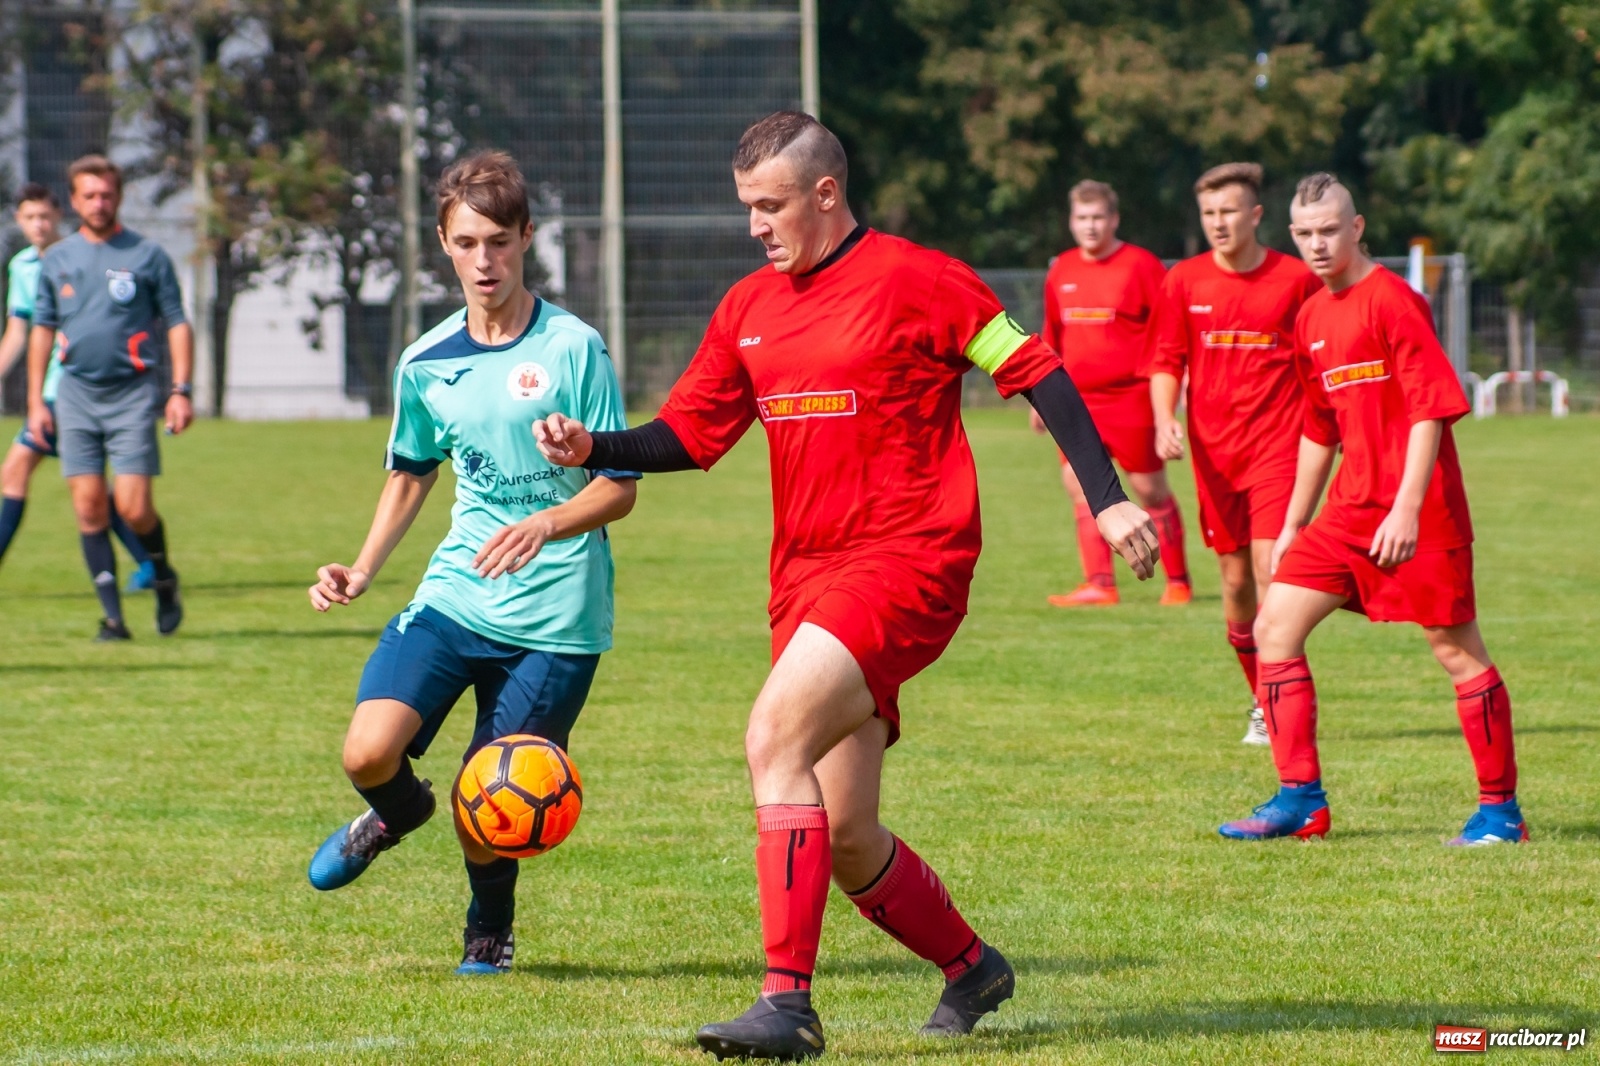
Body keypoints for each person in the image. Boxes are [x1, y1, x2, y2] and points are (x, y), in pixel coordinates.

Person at [533, 111, 1159, 1060]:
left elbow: (1037, 373)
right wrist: (597, 447)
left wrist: (1107, 500)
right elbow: (693, 437)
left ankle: (786, 1003)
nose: (755, 225)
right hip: (806, 580)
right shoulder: (748, 307)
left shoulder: (922, 280)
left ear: (826, 194)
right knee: (850, 832)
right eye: (746, 207)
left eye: (770, 205)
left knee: (770, 735)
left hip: (910, 558)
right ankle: (974, 968)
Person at [304, 151, 640, 974]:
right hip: (459, 594)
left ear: (527, 238)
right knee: (366, 754)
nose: (484, 261)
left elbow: (620, 486)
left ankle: (489, 927)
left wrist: (549, 524)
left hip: (557, 619)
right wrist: (361, 568)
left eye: (499, 240)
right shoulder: (425, 363)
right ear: (444, 247)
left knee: (485, 793)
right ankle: (394, 812)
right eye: (466, 243)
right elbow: (411, 472)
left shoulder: (573, 348)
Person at [1218, 173, 1524, 846]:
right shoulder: (1310, 316)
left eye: (1330, 229)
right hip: (1347, 513)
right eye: (1304, 233)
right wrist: (1296, 519)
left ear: (1357, 227)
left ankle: (1501, 814)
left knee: (1456, 651)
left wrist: (1407, 509)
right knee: (1274, 629)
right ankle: (1301, 799)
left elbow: (1430, 409)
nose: (1317, 244)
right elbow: (1320, 426)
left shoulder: (1393, 300)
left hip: (1420, 512)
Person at [1149, 163, 1322, 744]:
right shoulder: (1184, 281)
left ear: (1255, 215)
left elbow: (1322, 353)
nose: (1218, 223)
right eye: (1209, 214)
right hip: (1215, 458)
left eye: (1228, 212)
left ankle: (1276, 704)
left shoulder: (1297, 281)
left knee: (1273, 571)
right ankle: (1261, 693)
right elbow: (1166, 360)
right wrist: (1163, 418)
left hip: (1279, 449)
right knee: (1233, 582)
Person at [26, 157, 189, 639]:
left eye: (107, 194)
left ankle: (163, 577)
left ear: (117, 198)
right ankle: (113, 619)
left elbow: (177, 323)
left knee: (135, 508)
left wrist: (180, 390)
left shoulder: (146, 255)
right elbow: (41, 330)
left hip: (133, 394)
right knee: (88, 506)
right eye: (89, 195)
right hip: (75, 395)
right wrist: (36, 401)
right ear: (73, 201)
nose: (99, 203)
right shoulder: (56, 259)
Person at [1036, 179, 1190, 607]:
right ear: (1071, 221)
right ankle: (1100, 583)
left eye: (1098, 217)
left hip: (1132, 398)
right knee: (1078, 485)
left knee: (1150, 489)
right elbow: (1053, 332)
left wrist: (1176, 387)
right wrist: (1040, 394)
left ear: (1114, 219)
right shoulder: (1061, 269)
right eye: (1082, 218)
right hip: (1076, 400)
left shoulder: (1141, 266)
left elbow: (1168, 330)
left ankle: (1177, 581)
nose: (1090, 226)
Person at [0, 182, 154, 586]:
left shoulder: (80, 260)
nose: (38, 225)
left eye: (45, 217)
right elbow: (18, 333)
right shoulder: (21, 267)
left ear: (59, 217)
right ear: (19, 221)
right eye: (30, 217)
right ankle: (148, 563)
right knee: (90, 491)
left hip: (74, 389)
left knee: (18, 471)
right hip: (50, 392)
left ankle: (149, 564)